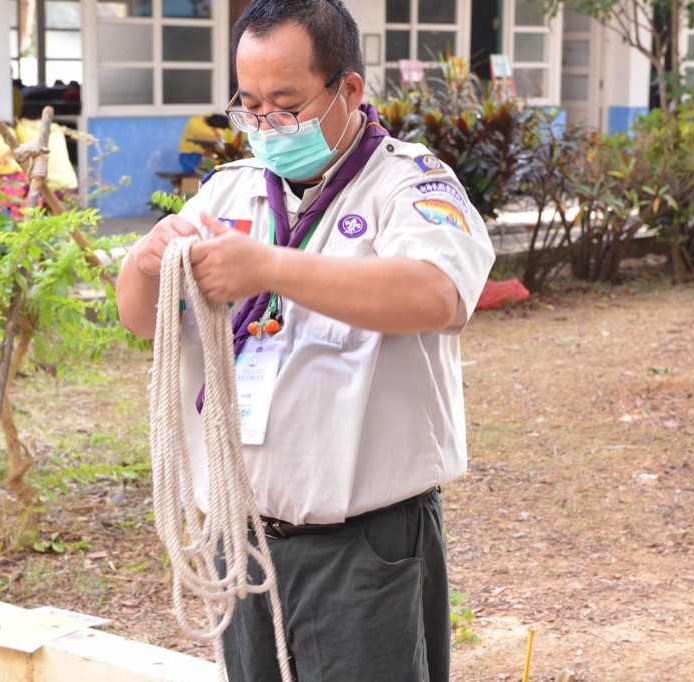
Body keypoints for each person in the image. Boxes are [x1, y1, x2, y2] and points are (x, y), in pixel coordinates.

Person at [115, 1, 494, 679]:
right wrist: (147, 260)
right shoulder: (228, 193)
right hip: (244, 540)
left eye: (286, 105)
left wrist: (272, 268)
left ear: (349, 89)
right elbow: (143, 320)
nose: (265, 125)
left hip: (361, 546)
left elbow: (438, 294)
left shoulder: (409, 185)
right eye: (249, 105)